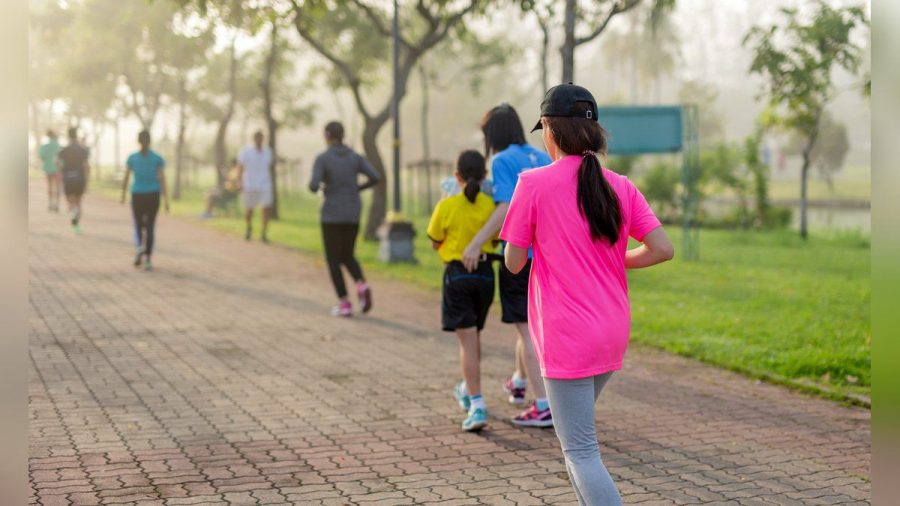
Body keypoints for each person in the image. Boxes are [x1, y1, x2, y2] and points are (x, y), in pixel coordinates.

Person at [501, 83, 674, 505]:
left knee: (580, 450)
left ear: (549, 129)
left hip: (568, 334)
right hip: (611, 329)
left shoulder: (533, 183)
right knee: (575, 443)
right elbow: (662, 249)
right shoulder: (620, 185)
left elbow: (513, 262)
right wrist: (614, 261)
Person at [461, 103, 554, 428]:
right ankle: (518, 379)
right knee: (528, 322)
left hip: (517, 255)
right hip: (544, 254)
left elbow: (504, 208)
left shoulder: (501, 160)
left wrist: (475, 243)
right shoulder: (541, 156)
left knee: (526, 329)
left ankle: (543, 404)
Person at [427, 150, 497, 432]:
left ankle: (477, 404)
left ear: (455, 177)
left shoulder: (447, 205)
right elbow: (495, 237)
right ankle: (468, 389)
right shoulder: (491, 205)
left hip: (457, 275)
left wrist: (448, 198)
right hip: (484, 275)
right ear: (485, 176)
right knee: (474, 337)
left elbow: (434, 241)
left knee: (467, 341)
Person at [309, 121, 380, 317]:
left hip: (331, 214)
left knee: (333, 259)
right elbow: (375, 176)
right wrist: (356, 189)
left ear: (327, 135)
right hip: (352, 212)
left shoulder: (323, 158)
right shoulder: (355, 157)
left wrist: (324, 185)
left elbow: (313, 186)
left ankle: (345, 303)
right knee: (347, 255)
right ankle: (362, 283)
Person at [121, 130, 169, 271]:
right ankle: (148, 258)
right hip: (153, 195)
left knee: (139, 225)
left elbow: (126, 177)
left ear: (138, 141)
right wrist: (166, 200)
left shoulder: (132, 158)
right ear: (150, 141)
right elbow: (162, 179)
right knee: (150, 227)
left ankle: (139, 248)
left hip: (137, 195)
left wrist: (122, 194)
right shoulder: (157, 158)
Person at [238, 131, 274, 242]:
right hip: (250, 184)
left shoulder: (268, 151)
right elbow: (240, 167)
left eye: (261, 138)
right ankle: (249, 229)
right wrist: (240, 182)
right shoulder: (246, 151)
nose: (259, 140)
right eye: (258, 138)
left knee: (266, 208)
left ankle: (264, 233)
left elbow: (269, 167)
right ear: (254, 139)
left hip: (264, 184)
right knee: (249, 209)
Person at [58, 127, 90, 234]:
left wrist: (62, 169)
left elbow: (57, 162)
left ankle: (73, 209)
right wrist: (87, 180)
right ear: (76, 135)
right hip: (80, 178)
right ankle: (76, 225)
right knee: (79, 202)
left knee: (70, 201)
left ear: (68, 136)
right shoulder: (83, 150)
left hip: (68, 178)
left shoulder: (64, 150)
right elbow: (86, 166)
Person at [38, 130, 62, 212]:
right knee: (58, 187)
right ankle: (57, 205)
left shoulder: (45, 146)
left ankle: (50, 204)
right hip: (58, 169)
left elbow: (41, 156)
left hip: (48, 168)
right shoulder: (59, 146)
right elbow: (63, 158)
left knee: (50, 186)